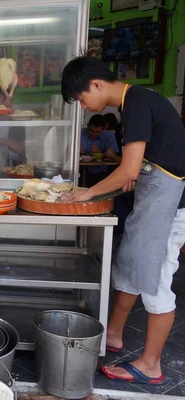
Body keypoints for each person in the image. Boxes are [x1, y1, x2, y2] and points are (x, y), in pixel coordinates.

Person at [62, 56, 185, 385]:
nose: (85, 107)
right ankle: (113, 335)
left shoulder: (138, 102)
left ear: (96, 85)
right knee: (129, 267)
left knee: (156, 281)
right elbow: (141, 164)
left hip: (170, 208)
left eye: (82, 98)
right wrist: (134, 173)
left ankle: (151, 365)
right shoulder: (137, 102)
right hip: (152, 201)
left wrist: (89, 193)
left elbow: (128, 169)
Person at [81, 114, 120, 184]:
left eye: (97, 132)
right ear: (87, 126)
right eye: (91, 130)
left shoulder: (109, 136)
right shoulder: (80, 133)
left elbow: (114, 156)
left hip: (101, 171)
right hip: (80, 170)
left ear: (104, 129)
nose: (93, 134)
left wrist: (101, 153)